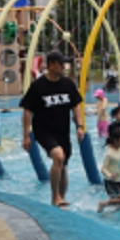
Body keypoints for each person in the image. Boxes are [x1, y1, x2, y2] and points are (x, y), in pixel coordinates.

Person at [21, 50, 85, 208]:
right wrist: (26, 136)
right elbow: (27, 111)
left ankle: (60, 200)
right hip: (43, 131)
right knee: (58, 156)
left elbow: (76, 106)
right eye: (60, 64)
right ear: (50, 65)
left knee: (63, 165)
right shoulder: (38, 86)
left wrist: (80, 126)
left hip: (63, 131)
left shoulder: (68, 84)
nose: (64, 66)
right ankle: (55, 196)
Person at [98, 124, 120, 213]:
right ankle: (103, 204)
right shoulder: (109, 153)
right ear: (115, 140)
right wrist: (109, 175)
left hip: (118, 180)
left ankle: (109, 212)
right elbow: (103, 169)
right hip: (110, 181)